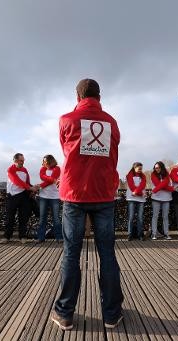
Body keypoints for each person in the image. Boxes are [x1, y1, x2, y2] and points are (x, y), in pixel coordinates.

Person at [51, 79, 123, 331]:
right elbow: (113, 152)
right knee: (107, 253)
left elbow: (66, 151)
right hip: (103, 192)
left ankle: (65, 313)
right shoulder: (111, 122)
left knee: (71, 253)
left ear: (78, 95)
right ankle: (112, 314)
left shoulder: (66, 119)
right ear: (99, 96)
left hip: (74, 193)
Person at [1, 153, 38, 243]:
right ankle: (7, 237)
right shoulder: (10, 169)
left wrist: (34, 188)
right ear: (15, 161)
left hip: (23, 195)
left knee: (23, 217)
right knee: (10, 217)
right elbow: (16, 181)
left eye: (23, 160)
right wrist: (30, 188)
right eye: (21, 160)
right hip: (12, 195)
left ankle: (22, 236)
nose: (22, 162)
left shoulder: (25, 170)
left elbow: (27, 182)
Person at [37, 154, 62, 243]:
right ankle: (41, 237)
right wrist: (51, 180)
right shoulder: (42, 169)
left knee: (56, 218)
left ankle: (59, 237)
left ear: (51, 161)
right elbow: (47, 178)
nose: (44, 163)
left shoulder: (57, 168)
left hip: (55, 197)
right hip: (43, 196)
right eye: (43, 161)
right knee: (42, 218)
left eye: (46, 161)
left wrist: (40, 186)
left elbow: (52, 180)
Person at [149, 161, 174, 240]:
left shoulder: (167, 174)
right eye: (155, 168)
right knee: (155, 216)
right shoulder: (153, 175)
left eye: (158, 167)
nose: (157, 169)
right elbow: (159, 185)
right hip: (156, 198)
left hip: (166, 198)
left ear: (162, 167)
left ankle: (166, 233)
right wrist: (172, 189)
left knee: (165, 217)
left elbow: (163, 185)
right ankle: (154, 234)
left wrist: (171, 188)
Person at [125, 162, 146, 241]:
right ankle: (129, 234)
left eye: (141, 168)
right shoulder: (129, 175)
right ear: (134, 167)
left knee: (140, 217)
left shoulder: (143, 176)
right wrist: (140, 193)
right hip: (131, 198)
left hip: (141, 199)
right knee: (131, 217)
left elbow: (142, 186)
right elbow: (131, 186)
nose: (140, 170)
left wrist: (137, 193)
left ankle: (140, 235)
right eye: (139, 168)